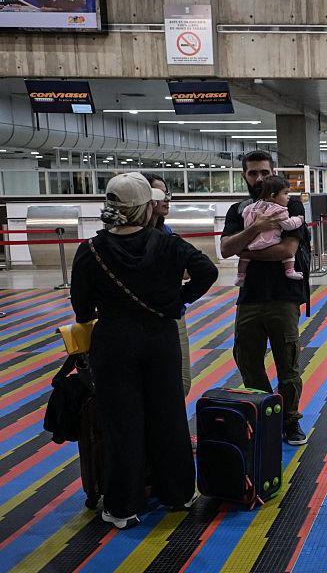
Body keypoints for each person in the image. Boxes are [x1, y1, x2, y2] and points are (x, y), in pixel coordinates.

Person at [71, 172, 217, 529]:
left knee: (122, 423)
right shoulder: (169, 244)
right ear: (146, 207)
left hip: (114, 342)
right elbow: (207, 271)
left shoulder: (90, 250)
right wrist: (176, 301)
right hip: (161, 338)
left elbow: (81, 309)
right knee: (168, 416)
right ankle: (179, 493)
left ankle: (123, 507)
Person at [220, 150, 311, 446]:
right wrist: (257, 229)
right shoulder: (239, 209)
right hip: (250, 298)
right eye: (252, 173)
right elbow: (224, 249)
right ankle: (265, 414)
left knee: (288, 364)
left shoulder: (291, 204)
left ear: (273, 172)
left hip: (284, 297)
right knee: (247, 360)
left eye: (263, 172)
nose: (259, 178)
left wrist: (246, 249)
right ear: (244, 176)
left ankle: (290, 420)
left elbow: (287, 251)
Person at [144, 174, 189, 397]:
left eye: (167, 194)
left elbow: (189, 271)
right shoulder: (127, 237)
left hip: (171, 312)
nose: (166, 199)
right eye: (159, 194)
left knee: (181, 382)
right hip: (142, 317)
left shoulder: (167, 233)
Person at [235, 175, 305, 285]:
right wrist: (299, 220)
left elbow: (245, 216)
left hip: (251, 243)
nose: (288, 197)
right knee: (290, 255)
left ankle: (240, 276)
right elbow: (288, 225)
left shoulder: (252, 207)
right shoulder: (278, 210)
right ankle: (290, 271)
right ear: (273, 195)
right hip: (270, 242)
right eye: (285, 193)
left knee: (244, 258)